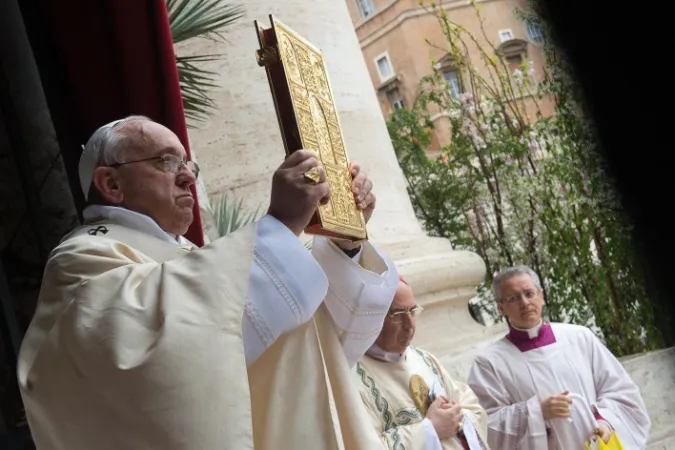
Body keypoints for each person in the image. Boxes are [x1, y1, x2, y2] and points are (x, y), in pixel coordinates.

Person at [17, 115, 400, 450]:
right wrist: (280, 227)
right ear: (111, 184)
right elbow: (148, 367)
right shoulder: (81, 259)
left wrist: (345, 242)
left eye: (188, 164)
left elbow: (318, 346)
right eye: (167, 161)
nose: (187, 175)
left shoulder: (193, 255)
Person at [466, 265, 651, 449]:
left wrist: (605, 420)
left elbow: (619, 389)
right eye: (513, 298)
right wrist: (537, 412)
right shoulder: (489, 363)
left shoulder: (579, 338)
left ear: (542, 296)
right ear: (501, 308)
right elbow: (485, 423)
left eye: (529, 293)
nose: (524, 303)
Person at [354, 276, 489, 450]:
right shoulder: (354, 380)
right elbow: (361, 445)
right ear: (371, 317)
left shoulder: (425, 360)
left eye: (412, 311)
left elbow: (470, 405)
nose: (409, 325)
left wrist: (457, 415)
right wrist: (429, 430)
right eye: (398, 315)